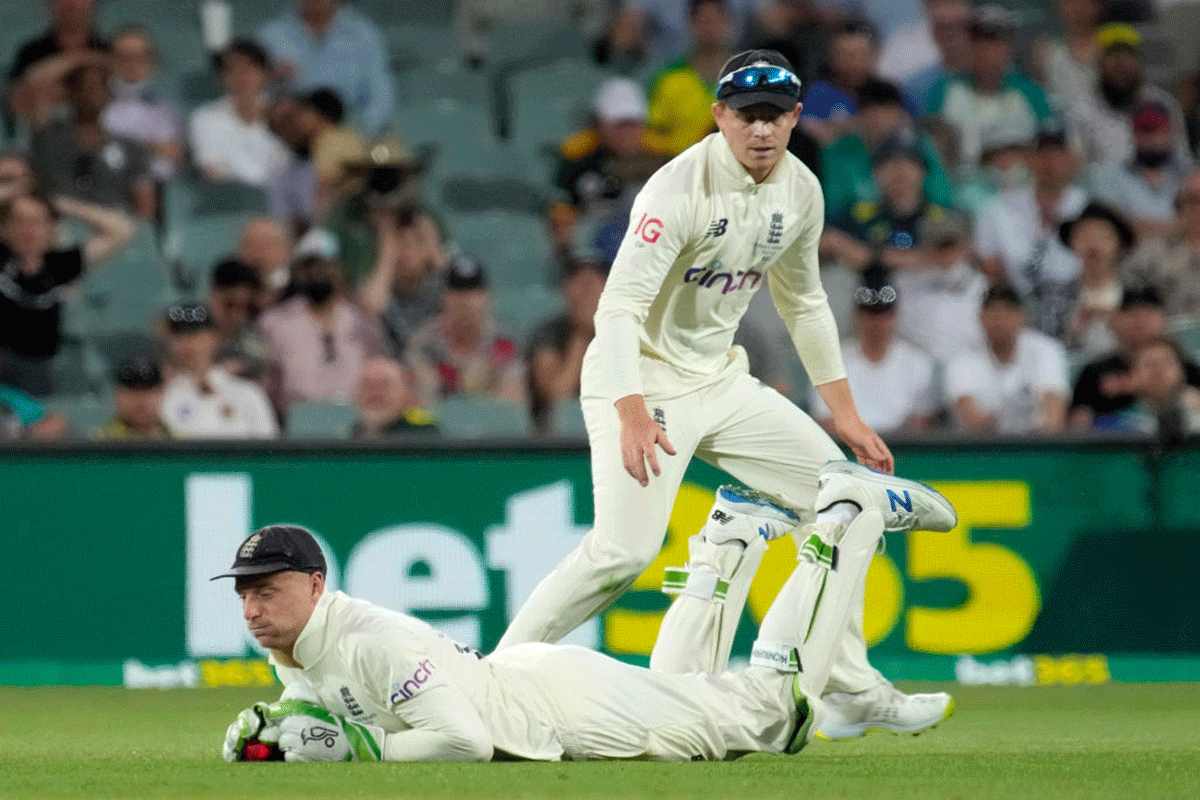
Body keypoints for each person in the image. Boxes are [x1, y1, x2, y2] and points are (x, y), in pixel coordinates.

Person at [496, 49, 956, 740]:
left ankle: (854, 688)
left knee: (842, 497)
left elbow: (803, 301)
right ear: (719, 117)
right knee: (621, 553)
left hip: (720, 380)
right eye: (747, 116)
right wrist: (630, 414)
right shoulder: (674, 192)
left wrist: (846, 414)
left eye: (775, 117)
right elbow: (617, 310)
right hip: (643, 383)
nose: (761, 131)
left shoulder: (801, 189)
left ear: (797, 119)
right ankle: (495, 679)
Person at [220, 467, 955, 761]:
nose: (254, 607)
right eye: (245, 594)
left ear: (316, 585)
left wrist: (357, 749)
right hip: (536, 683)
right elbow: (318, 706)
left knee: (773, 716)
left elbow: (466, 743)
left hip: (561, 709)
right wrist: (268, 738)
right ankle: (727, 543)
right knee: (689, 688)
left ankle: (847, 516)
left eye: (269, 589)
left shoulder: (371, 638)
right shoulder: (302, 645)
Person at [0, 191, 135, 396]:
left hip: (42, 375)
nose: (28, 231)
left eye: (37, 222)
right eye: (19, 222)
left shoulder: (60, 265)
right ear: (4, 228)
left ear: (51, 228)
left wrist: (61, 204)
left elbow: (121, 229)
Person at [973, 127, 1087, 340]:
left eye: (1059, 154)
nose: (1049, 162)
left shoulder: (1086, 207)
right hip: (1018, 306)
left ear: (1073, 161)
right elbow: (990, 267)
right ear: (1029, 159)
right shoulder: (997, 208)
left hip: (1075, 303)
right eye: (1042, 153)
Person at [925, 4, 1052, 176]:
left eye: (995, 42)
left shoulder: (1031, 94)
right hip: (961, 188)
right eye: (979, 42)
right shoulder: (944, 91)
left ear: (1009, 47)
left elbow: (1050, 149)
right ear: (968, 45)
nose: (986, 51)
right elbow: (928, 151)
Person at [550, 78, 671, 258]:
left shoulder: (662, 154)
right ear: (599, 123)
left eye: (633, 124)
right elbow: (562, 208)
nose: (626, 133)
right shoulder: (576, 156)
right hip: (592, 242)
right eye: (618, 125)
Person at [808, 266, 936, 433]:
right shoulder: (830, 362)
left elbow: (921, 421)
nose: (876, 322)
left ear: (894, 315)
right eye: (869, 313)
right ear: (857, 315)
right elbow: (825, 419)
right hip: (848, 449)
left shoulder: (918, 362)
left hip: (902, 449)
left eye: (883, 314)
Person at [258, 253, 386, 415]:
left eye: (324, 267)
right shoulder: (274, 322)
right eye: (310, 268)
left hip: (354, 418)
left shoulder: (361, 323)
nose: (317, 274)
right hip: (297, 420)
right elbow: (267, 383)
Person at [820, 78, 955, 229]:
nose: (878, 118)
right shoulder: (840, 150)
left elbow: (942, 196)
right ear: (858, 115)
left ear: (900, 114)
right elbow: (833, 206)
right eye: (870, 110)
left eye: (886, 110)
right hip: (857, 228)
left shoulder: (920, 144)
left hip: (918, 224)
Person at [29, 62, 157, 220]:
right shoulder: (47, 137)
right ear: (70, 93)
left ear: (110, 95)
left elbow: (144, 207)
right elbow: (35, 86)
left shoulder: (131, 147)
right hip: (59, 226)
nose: (93, 94)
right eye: (86, 87)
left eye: (101, 87)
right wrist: (84, 56)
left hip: (113, 228)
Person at [1067, 285, 1200, 430]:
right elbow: (1077, 428)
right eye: (1131, 312)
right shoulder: (1095, 372)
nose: (1140, 319)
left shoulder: (1188, 368)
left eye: (1147, 311)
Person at [820, 130, 952, 273]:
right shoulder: (861, 216)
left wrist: (872, 257)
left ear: (923, 171)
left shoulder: (942, 217)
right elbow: (823, 239)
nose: (898, 170)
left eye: (908, 161)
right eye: (887, 163)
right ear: (875, 173)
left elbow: (950, 256)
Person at [944, 285, 1069, 434]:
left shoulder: (1046, 349)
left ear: (1022, 316)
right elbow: (970, 417)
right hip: (981, 448)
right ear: (981, 318)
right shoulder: (961, 356)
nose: (998, 323)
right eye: (993, 316)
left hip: (1036, 446)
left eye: (1006, 315)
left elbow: (1054, 415)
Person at [257, 0, 395, 136]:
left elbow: (381, 97)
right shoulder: (271, 36)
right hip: (286, 141)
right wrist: (272, 79)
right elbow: (252, 97)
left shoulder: (365, 36)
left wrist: (358, 134)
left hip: (348, 136)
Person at [1064, 23, 1192, 168]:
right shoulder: (1082, 110)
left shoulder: (1163, 104)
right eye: (1113, 56)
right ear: (1099, 63)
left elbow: (1183, 162)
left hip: (1160, 187)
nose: (1121, 63)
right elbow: (1075, 168)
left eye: (1127, 55)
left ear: (1139, 61)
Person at [406, 253, 524, 405]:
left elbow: (512, 397)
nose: (466, 301)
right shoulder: (423, 343)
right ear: (443, 297)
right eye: (457, 292)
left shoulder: (507, 341)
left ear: (487, 296)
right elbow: (422, 398)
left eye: (473, 291)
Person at [160, 303, 279, 439]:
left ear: (213, 338)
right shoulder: (161, 394)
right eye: (179, 335)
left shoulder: (246, 393)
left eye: (194, 333)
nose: (186, 343)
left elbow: (268, 448)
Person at [188, 39, 290, 188]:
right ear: (221, 77)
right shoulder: (202, 119)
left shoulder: (285, 115)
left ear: (265, 73)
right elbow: (211, 171)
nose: (241, 77)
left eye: (248, 68)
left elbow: (290, 167)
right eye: (232, 70)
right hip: (230, 203)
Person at [526, 253, 608, 434]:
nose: (586, 292)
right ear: (566, 289)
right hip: (556, 441)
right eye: (579, 283)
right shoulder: (547, 333)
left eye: (592, 283)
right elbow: (557, 395)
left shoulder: (624, 332)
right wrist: (582, 336)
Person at [892, 211, 986, 364]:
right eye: (939, 245)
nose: (946, 252)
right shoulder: (902, 282)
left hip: (966, 365)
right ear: (925, 246)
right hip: (914, 366)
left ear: (964, 246)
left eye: (951, 244)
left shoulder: (980, 285)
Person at [1089, 101, 1191, 240]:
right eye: (1146, 131)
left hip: (1183, 255)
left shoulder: (1189, 175)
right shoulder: (1110, 175)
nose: (1153, 139)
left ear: (1171, 132)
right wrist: (1176, 226)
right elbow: (1112, 225)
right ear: (1133, 133)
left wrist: (1139, 225)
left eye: (1159, 130)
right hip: (1129, 257)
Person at [360, 203, 449, 357]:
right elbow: (370, 309)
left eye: (417, 241)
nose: (409, 251)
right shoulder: (376, 283)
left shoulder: (439, 284)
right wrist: (387, 256)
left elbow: (461, 300)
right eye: (401, 242)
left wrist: (435, 252)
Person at [645, 0, 733, 156]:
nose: (709, 28)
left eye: (715, 21)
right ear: (691, 25)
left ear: (727, 24)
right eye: (703, 21)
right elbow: (653, 132)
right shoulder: (670, 77)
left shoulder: (748, 76)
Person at [6, 0, 107, 128]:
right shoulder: (30, 54)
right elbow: (15, 106)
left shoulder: (108, 50)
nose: (71, 3)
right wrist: (78, 59)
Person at [101, 25, 184, 180]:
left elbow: (171, 160)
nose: (132, 64)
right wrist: (149, 147)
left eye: (140, 57)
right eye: (123, 57)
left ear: (152, 63)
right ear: (108, 59)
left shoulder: (167, 112)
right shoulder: (92, 106)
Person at [1058, 202, 1136, 357]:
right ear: (1072, 244)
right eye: (1085, 237)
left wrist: (1121, 325)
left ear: (1119, 243)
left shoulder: (1137, 291)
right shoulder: (1055, 294)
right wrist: (1076, 326)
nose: (1094, 245)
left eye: (1103, 237)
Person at [1123, 169, 1200, 317]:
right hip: (1169, 334)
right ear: (1180, 204)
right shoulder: (1152, 252)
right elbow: (1129, 295)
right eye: (1193, 200)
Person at [799, 20, 885, 146]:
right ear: (832, 56)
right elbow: (808, 132)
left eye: (859, 55)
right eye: (846, 55)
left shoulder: (889, 94)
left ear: (874, 54)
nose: (852, 63)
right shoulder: (818, 94)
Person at [290, 88, 368, 219]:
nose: (297, 121)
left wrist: (318, 221)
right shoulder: (348, 134)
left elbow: (325, 186)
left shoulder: (327, 140)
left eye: (302, 114)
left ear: (319, 113)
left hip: (354, 210)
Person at [208, 259, 269, 382]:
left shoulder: (249, 340)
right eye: (229, 305)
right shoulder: (184, 329)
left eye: (244, 307)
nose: (236, 314)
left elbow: (260, 361)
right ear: (212, 294)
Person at [351, 356, 438, 439]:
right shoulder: (350, 433)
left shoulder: (422, 433)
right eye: (367, 385)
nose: (374, 392)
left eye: (384, 385)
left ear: (404, 393)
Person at [94, 355, 172, 439]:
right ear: (117, 394)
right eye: (132, 389)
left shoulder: (177, 440)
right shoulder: (100, 442)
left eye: (147, 389)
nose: (140, 398)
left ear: (161, 393)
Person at [236, 217, 294, 303]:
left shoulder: (299, 293)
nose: (256, 254)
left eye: (265, 246)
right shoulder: (228, 295)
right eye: (249, 246)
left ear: (286, 250)